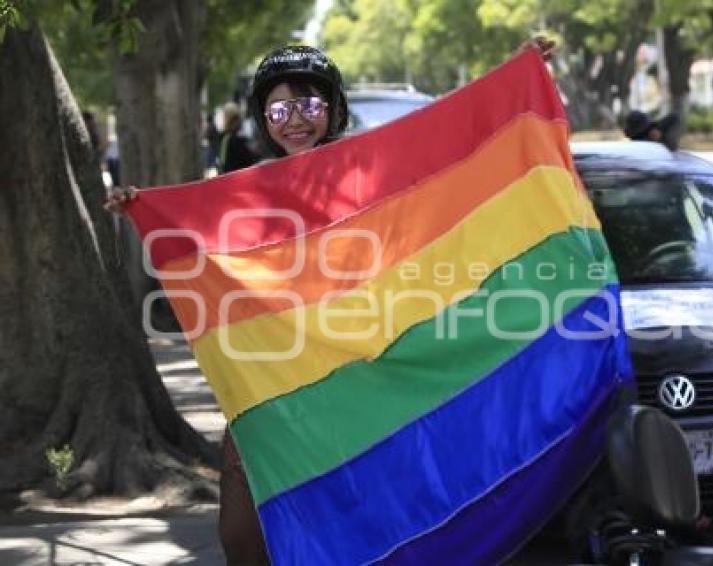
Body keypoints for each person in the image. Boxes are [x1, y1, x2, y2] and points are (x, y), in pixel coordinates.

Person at [104, 38, 555, 564]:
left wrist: (516, 76)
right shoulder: (243, 195)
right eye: (280, 107)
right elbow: (199, 241)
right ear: (263, 118)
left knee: (364, 527)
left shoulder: (370, 175)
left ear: (333, 109)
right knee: (244, 535)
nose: (295, 119)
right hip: (269, 387)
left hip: (362, 380)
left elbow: (453, 141)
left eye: (309, 104)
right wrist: (142, 207)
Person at [218, 102, 261, 173]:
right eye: (237, 118)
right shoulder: (237, 141)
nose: (240, 121)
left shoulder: (223, 138)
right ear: (232, 121)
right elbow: (250, 160)